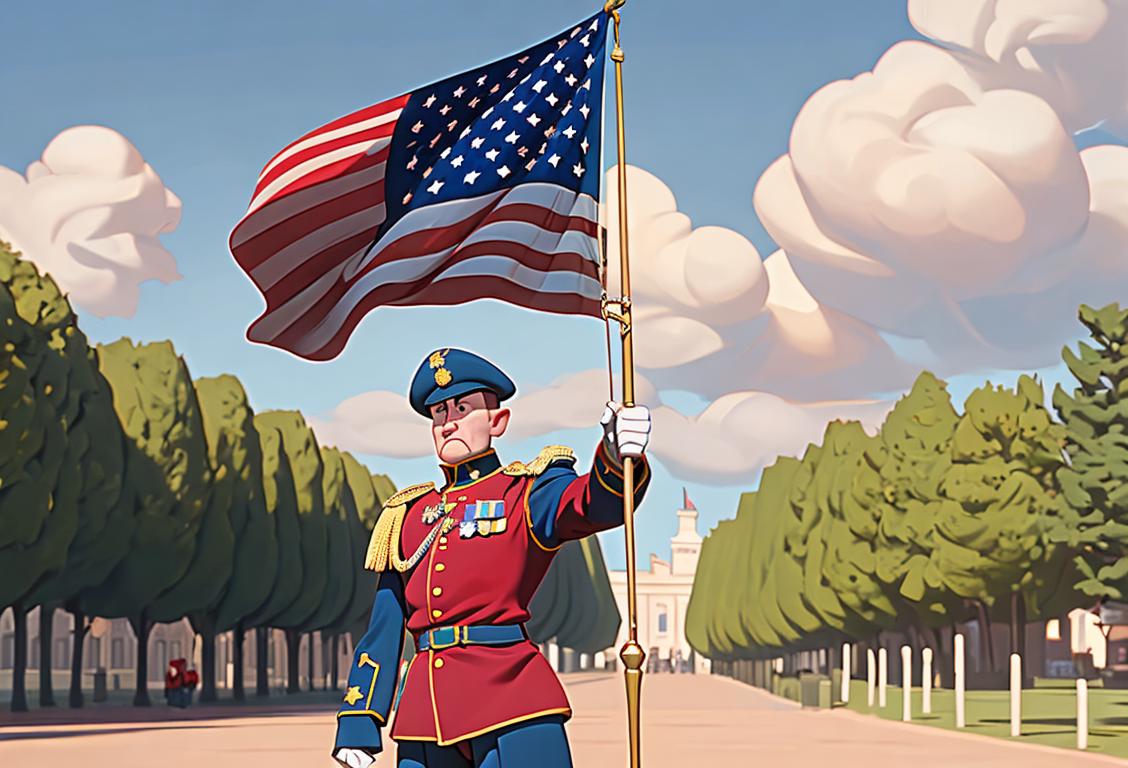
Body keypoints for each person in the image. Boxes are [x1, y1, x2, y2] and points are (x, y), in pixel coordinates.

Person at [333, 348, 651, 768]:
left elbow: (592, 505)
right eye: (439, 413)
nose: (449, 423)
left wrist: (616, 457)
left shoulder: (526, 492)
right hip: (424, 719)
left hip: (512, 703)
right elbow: (384, 629)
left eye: (462, 408)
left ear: (497, 421)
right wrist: (359, 721)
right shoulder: (406, 516)